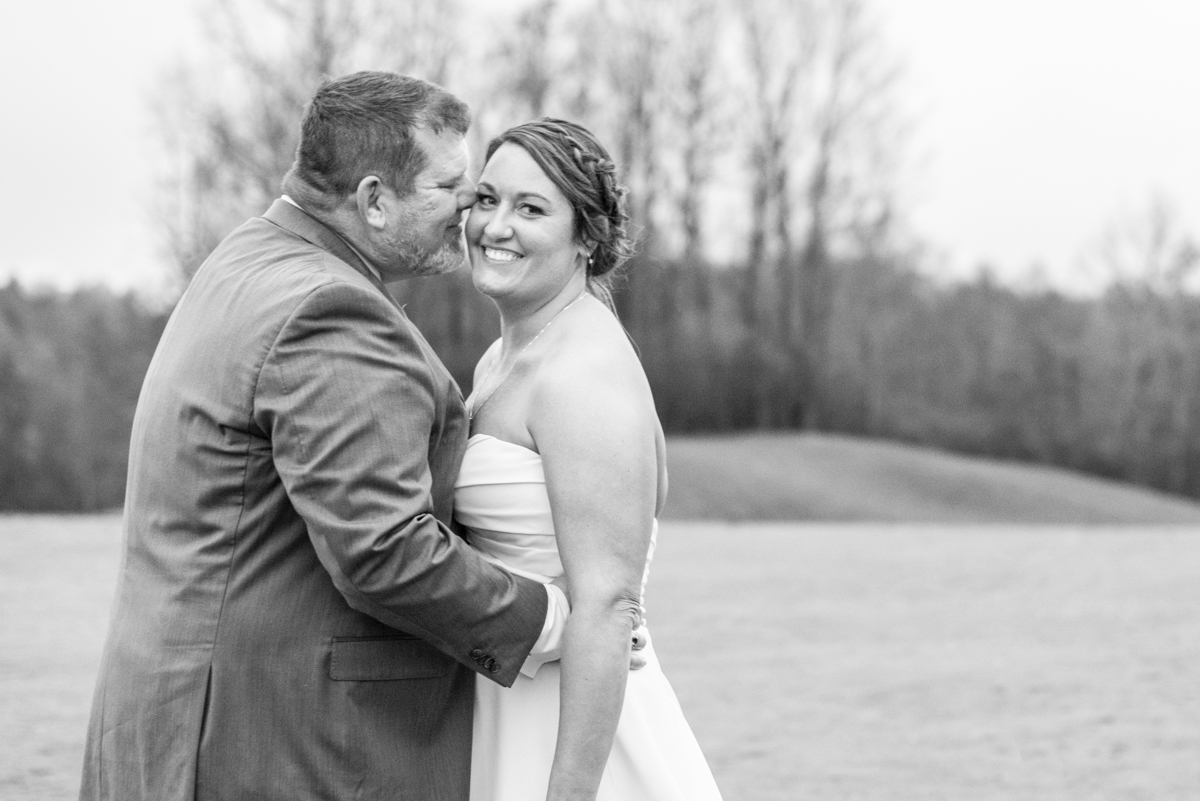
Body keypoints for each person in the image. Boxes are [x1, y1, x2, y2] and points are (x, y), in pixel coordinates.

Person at [78, 72, 572, 801]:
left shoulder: (250, 256)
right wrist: (551, 620)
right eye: (448, 186)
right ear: (374, 201)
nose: (469, 204)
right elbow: (385, 550)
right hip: (276, 745)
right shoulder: (331, 309)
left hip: (181, 723)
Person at [456, 118, 724, 801]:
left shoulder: (584, 373)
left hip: (577, 740)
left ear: (587, 238)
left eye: (531, 208)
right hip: (506, 707)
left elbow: (606, 606)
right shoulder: (503, 356)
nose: (495, 225)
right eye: (486, 199)